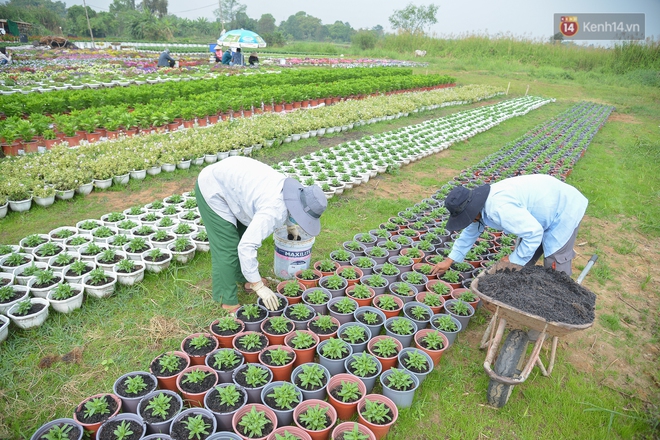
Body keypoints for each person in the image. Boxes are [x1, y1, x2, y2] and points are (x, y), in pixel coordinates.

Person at [195, 156, 328, 313]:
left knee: (244, 231)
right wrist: (259, 286)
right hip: (213, 186)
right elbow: (247, 246)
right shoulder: (272, 211)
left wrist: (291, 225)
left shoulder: (293, 193)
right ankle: (227, 299)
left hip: (235, 184)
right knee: (228, 247)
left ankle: (245, 278)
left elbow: (291, 206)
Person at [431, 174, 588, 277]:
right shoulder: (478, 207)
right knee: (523, 260)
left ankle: (557, 308)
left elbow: (533, 233)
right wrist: (450, 260)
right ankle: (522, 294)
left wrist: (514, 258)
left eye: (466, 218)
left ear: (471, 211)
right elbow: (470, 233)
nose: (467, 222)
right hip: (539, 214)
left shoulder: (499, 208)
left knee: (555, 267)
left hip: (563, 209)